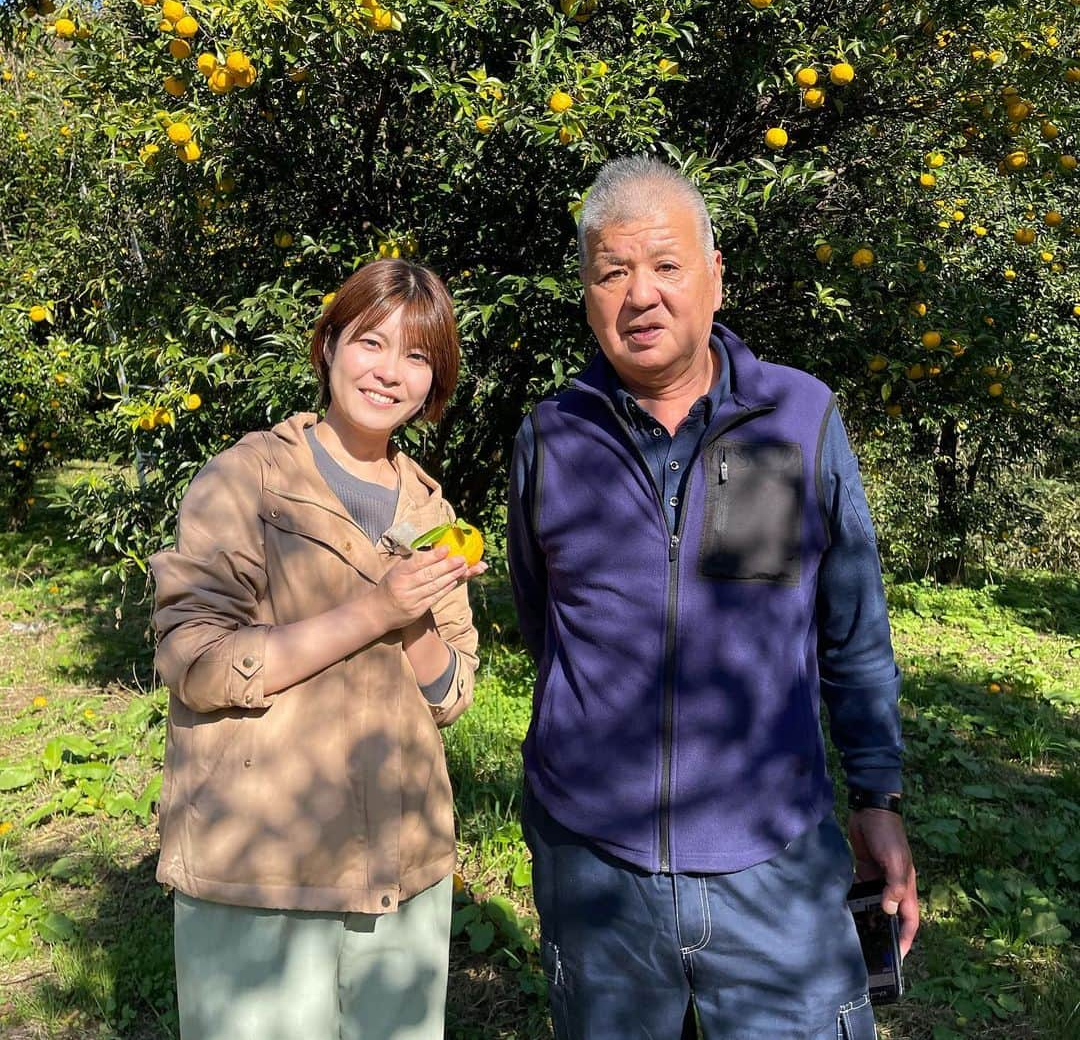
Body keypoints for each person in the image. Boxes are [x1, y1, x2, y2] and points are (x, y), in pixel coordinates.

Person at [508, 157, 919, 1040]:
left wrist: (876, 797)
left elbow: (851, 629)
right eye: (612, 272)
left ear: (716, 273)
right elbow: (545, 626)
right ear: (586, 295)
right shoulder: (550, 438)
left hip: (771, 862)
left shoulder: (795, 420)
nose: (640, 296)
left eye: (665, 265)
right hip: (597, 866)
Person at [151, 258, 484, 1040]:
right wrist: (375, 609)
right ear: (330, 345)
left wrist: (415, 620)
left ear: (432, 383)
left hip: (403, 870)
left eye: (416, 356)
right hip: (262, 868)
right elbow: (196, 661)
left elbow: (453, 693)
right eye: (371, 342)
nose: (389, 372)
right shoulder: (247, 480)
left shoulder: (430, 507)